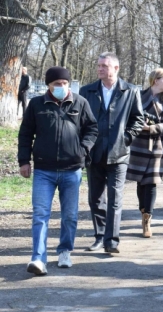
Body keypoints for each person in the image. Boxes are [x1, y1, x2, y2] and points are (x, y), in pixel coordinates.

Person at [18, 66, 98, 275]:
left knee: (69, 215)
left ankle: (65, 251)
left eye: (64, 83)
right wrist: (23, 161)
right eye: (56, 84)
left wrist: (83, 148)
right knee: (40, 214)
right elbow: (25, 134)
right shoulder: (37, 104)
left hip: (72, 170)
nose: (61, 87)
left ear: (69, 84)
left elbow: (92, 128)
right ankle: (38, 258)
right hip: (44, 170)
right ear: (49, 86)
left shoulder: (80, 103)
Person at [79, 52, 145, 254]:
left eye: (104, 66)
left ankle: (112, 240)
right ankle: (99, 236)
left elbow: (138, 119)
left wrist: (126, 138)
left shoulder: (130, 91)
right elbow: (81, 120)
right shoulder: (87, 90)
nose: (100, 69)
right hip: (94, 153)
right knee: (96, 198)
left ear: (116, 68)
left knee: (115, 198)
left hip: (119, 154)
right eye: (98, 65)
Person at [126, 68, 163, 238]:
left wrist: (151, 127)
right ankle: (142, 210)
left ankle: (147, 220)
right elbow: (129, 117)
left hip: (157, 147)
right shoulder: (138, 96)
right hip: (138, 145)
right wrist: (139, 125)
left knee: (152, 182)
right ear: (155, 80)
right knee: (141, 182)